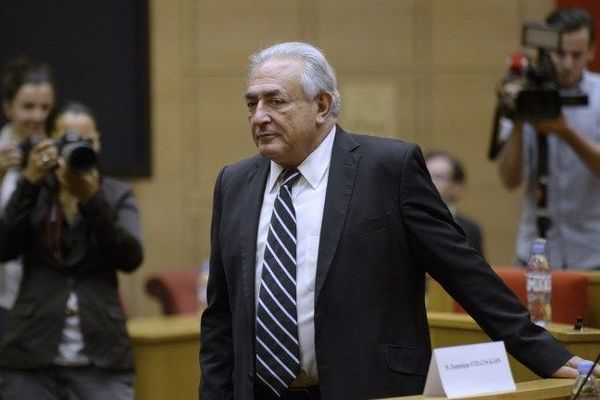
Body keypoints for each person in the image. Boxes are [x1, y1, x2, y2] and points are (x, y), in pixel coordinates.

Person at [200, 42, 599, 400]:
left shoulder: (388, 168)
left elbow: (465, 273)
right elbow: (221, 316)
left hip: (370, 389)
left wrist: (548, 356)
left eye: (276, 101)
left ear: (322, 106)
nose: (259, 117)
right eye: (252, 104)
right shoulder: (234, 183)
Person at [0, 101, 143, 400]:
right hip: (31, 357)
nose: (77, 148)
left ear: (98, 143)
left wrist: (91, 200)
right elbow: (4, 247)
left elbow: (130, 258)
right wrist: (29, 181)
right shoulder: (35, 191)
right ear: (49, 141)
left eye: (86, 141)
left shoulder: (116, 194)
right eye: (67, 140)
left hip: (102, 355)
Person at [496, 7, 600, 270]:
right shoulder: (525, 92)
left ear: (592, 51)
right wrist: (519, 116)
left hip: (592, 254)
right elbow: (510, 179)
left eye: (576, 55)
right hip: (534, 254)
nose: (567, 64)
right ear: (545, 50)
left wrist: (564, 131)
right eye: (560, 53)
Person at [0, 57, 55, 344]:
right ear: (7, 107)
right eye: (28, 107)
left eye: (44, 107)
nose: (37, 117)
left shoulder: (59, 154)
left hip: (46, 303)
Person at [425, 150, 484, 254]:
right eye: (425, 175)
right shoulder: (402, 222)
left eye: (438, 177)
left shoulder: (469, 230)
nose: (429, 182)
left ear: (457, 188)